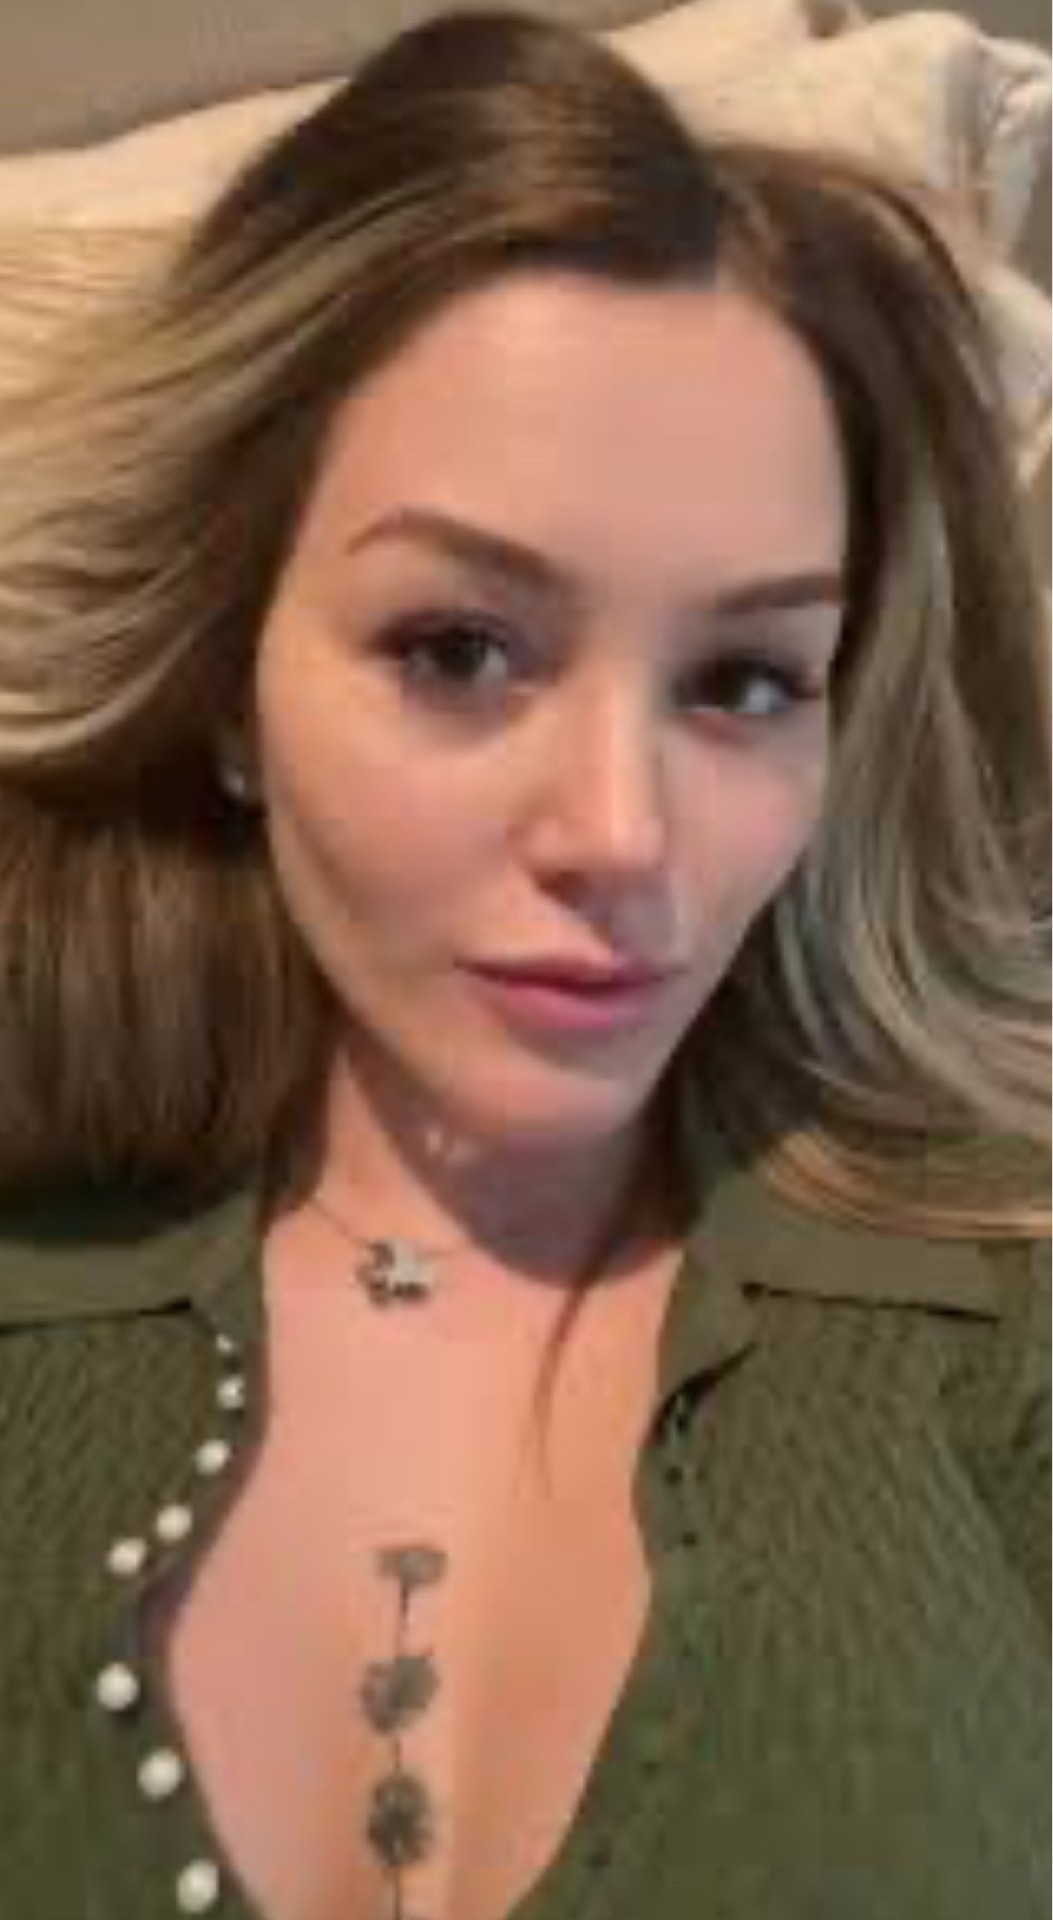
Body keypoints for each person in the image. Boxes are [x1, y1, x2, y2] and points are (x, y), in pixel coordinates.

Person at [0, 9, 1047, 1920]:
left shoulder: (1005, 1327)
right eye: (458, 649)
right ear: (229, 685)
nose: (623, 836)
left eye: (744, 681)